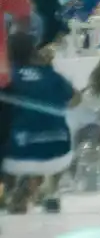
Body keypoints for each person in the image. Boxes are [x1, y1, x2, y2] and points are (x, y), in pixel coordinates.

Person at [2, 31, 79, 214]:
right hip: (60, 155)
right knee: (51, 133)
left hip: (18, 156)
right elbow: (77, 99)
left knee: (12, 132)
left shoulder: (8, 76)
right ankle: (51, 191)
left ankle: (9, 190)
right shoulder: (51, 75)